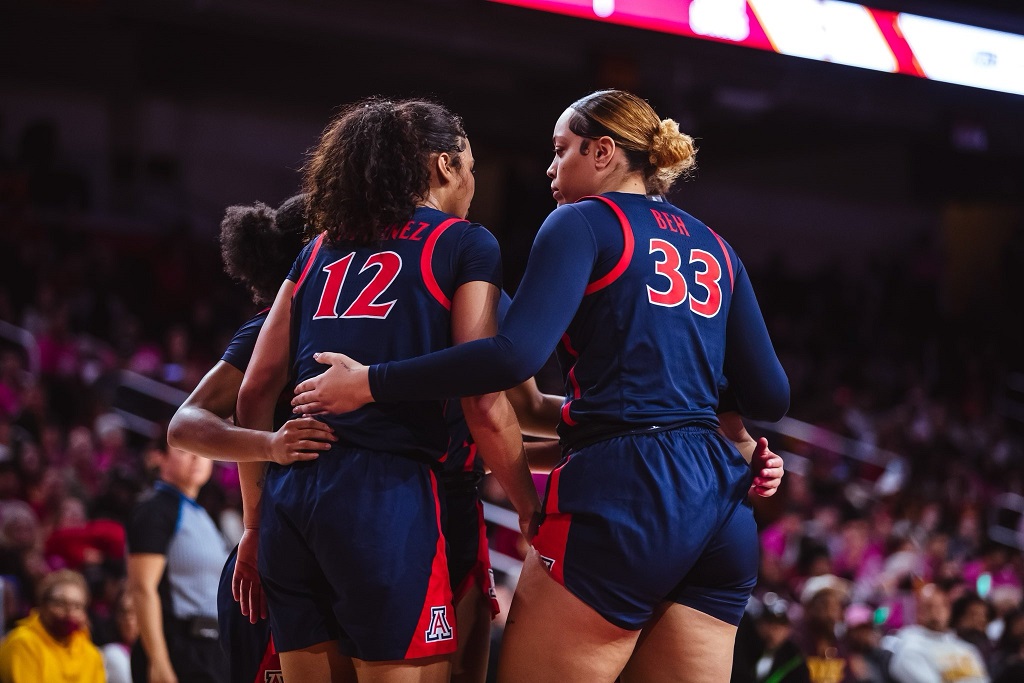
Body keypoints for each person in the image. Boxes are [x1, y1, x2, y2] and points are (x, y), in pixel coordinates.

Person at [291, 89, 790, 682]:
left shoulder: (580, 222)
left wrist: (372, 382)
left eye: (561, 151)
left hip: (623, 493)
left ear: (602, 151)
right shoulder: (717, 245)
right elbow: (771, 398)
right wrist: (729, 438)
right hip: (718, 505)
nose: (550, 169)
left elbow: (509, 358)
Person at [234, 98, 541, 683]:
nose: (474, 180)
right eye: (470, 165)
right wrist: (528, 505)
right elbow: (482, 395)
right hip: (386, 496)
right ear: (444, 166)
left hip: (292, 496)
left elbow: (254, 391)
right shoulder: (465, 243)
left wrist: (253, 524)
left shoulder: (319, 247)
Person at [126, 437, 229, 683]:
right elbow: (142, 588)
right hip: (177, 649)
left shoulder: (201, 514)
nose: (197, 458)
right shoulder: (154, 509)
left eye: (202, 450)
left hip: (210, 651)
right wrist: (158, 662)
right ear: (159, 458)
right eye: (185, 450)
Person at [0, 568, 105, 683]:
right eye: (60, 604)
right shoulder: (23, 643)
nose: (69, 613)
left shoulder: (91, 654)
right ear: (42, 605)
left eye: (77, 606)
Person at [887, 583, 989, 683]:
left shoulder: (967, 649)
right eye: (930, 607)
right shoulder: (910, 650)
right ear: (919, 611)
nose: (937, 613)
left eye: (942, 606)